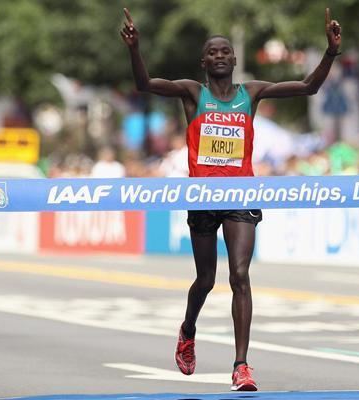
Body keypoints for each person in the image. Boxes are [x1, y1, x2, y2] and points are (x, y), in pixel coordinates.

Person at [120, 6, 341, 392]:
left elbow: (308, 87)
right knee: (205, 278)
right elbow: (145, 84)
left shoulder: (250, 93)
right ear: (203, 61)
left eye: (226, 51)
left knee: (240, 275)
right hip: (203, 194)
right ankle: (188, 329)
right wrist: (135, 49)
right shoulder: (193, 93)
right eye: (213, 52)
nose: (220, 56)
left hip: (241, 193)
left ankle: (241, 365)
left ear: (235, 59)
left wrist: (331, 53)